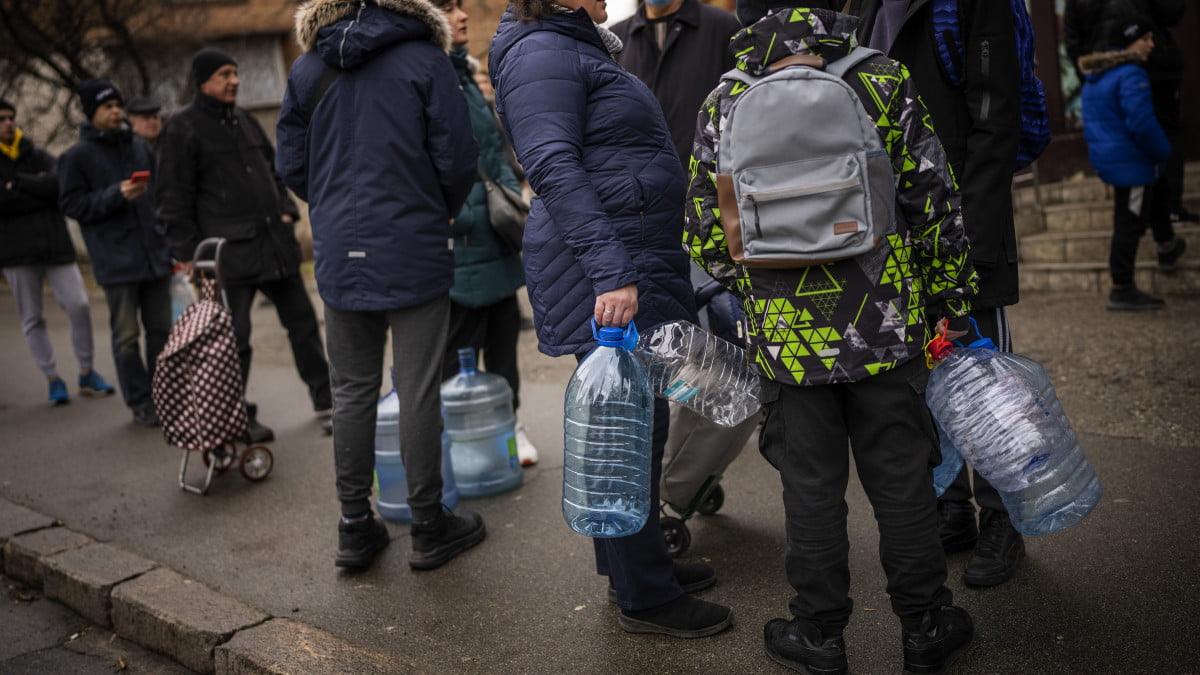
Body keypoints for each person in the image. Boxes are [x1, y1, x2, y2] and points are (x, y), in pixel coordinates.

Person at [685, 6, 977, 672]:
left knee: (810, 488)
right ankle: (926, 626)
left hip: (787, 342)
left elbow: (703, 233)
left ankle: (819, 635)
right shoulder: (881, 78)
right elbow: (934, 200)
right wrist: (948, 300)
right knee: (904, 481)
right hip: (886, 327)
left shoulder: (726, 99)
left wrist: (762, 288)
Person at [489, 0, 733, 639]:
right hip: (609, 260)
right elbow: (551, 165)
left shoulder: (570, 44)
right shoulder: (542, 50)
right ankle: (645, 597)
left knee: (635, 420)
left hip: (630, 249)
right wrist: (611, 268)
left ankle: (633, 567)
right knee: (628, 430)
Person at [277, 0, 485, 571]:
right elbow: (457, 156)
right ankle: (427, 524)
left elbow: (291, 163)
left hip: (341, 249)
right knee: (417, 386)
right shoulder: (424, 59)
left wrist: (335, 210)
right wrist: (432, 208)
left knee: (350, 391)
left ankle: (353, 526)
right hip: (413, 241)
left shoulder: (307, 67)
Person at [846, 0, 1028, 588]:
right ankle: (952, 507)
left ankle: (1004, 518)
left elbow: (998, 118)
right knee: (924, 376)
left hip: (967, 225)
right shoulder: (862, 7)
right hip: (900, 230)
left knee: (985, 379)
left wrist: (967, 244)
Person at [611, 0, 757, 522]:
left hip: (713, 228)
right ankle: (684, 480)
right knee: (676, 362)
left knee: (724, 364)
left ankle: (683, 484)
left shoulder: (721, 28)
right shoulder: (617, 39)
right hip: (645, 231)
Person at [156, 47, 332, 442]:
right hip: (226, 257)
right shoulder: (181, 128)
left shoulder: (245, 120)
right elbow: (171, 197)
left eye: (235, 73)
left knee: (303, 326)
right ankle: (234, 417)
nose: (234, 80)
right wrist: (186, 254)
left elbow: (276, 170)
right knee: (232, 342)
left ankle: (328, 401)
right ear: (202, 82)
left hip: (275, 245)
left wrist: (287, 209)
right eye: (224, 74)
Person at [435, 0, 538, 466]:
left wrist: (508, 198)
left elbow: (491, 148)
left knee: (502, 340)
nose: (461, 16)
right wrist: (459, 217)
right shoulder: (427, 76)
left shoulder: (463, 72)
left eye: (460, 7)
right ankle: (462, 444)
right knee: (456, 355)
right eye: (447, 8)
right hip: (461, 241)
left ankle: (508, 431)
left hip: (492, 231)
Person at [58, 79, 173, 427]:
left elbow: (159, 196)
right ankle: (140, 402)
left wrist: (167, 242)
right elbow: (72, 204)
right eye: (108, 107)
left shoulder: (138, 147)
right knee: (126, 338)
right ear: (92, 113)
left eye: (118, 105)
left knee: (161, 334)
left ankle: (163, 397)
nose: (116, 112)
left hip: (154, 256)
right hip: (116, 261)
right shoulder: (76, 156)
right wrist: (114, 195)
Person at [0, 97, 115, 406]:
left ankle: (87, 371)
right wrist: (34, 188)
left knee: (79, 305)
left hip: (56, 247)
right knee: (32, 318)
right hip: (15, 253)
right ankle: (52, 378)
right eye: (1, 119)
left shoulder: (38, 155)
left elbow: (58, 188)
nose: (8, 123)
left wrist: (16, 185)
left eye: (11, 117)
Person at [1079, 15, 1179, 310]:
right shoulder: (1131, 74)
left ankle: (1167, 245)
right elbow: (1142, 123)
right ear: (1128, 42)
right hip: (1131, 163)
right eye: (1145, 38)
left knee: (1155, 196)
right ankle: (1122, 287)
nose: (1151, 44)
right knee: (1129, 224)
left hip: (1115, 160)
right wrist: (1165, 151)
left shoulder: (1097, 75)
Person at [1066, 0, 1193, 226]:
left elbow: (1073, 40)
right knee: (1161, 137)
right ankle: (1165, 213)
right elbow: (1172, 11)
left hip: (1109, 72)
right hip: (1154, 69)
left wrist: (1092, 78)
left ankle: (1158, 222)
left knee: (1135, 138)